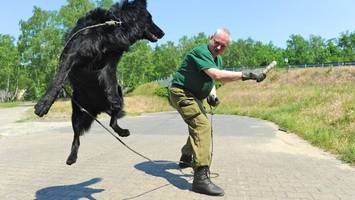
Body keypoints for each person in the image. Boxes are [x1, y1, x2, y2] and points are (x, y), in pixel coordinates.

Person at [169, 28, 268, 196]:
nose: (218, 48)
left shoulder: (218, 59)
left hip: (195, 97)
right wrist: (248, 75)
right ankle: (200, 178)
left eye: (223, 46)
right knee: (202, 126)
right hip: (181, 92)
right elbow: (217, 75)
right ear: (210, 38)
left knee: (201, 125)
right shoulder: (200, 51)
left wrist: (212, 95)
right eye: (216, 43)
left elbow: (212, 79)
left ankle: (186, 156)